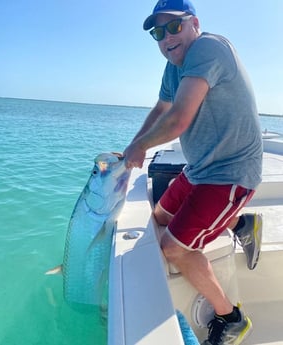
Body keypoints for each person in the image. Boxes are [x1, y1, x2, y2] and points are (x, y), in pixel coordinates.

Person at [123, 0, 263, 344]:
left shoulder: (208, 48)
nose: (166, 38)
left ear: (193, 23)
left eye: (174, 26)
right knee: (156, 219)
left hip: (231, 174)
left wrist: (139, 148)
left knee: (173, 248)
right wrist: (131, 147)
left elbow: (178, 119)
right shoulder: (174, 67)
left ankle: (230, 317)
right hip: (200, 169)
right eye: (158, 32)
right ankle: (241, 223)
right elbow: (161, 109)